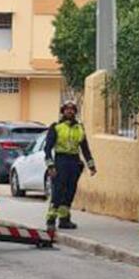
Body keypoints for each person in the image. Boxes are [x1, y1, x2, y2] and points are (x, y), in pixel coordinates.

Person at [44, 99, 96, 231]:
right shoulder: (55, 127)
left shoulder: (80, 128)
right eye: (67, 109)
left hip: (74, 162)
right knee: (58, 191)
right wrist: (50, 166)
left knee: (70, 191)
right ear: (63, 111)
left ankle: (64, 219)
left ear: (75, 112)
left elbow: (85, 148)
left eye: (72, 109)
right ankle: (51, 219)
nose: (69, 111)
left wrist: (91, 165)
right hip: (60, 161)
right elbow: (47, 148)